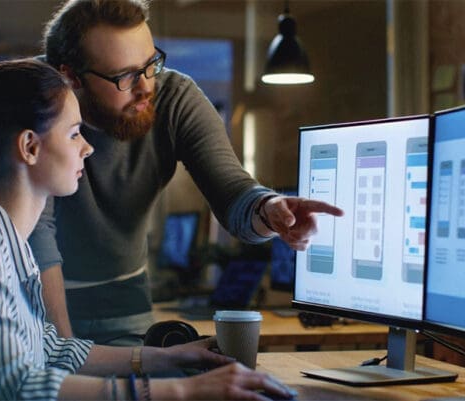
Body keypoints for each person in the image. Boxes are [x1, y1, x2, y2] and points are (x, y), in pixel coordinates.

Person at [0, 58, 295, 401]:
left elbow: (52, 350)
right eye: (75, 133)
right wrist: (185, 391)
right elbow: (14, 384)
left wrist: (170, 358)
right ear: (30, 147)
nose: (88, 147)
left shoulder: (4, 241)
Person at [31, 0, 344, 343]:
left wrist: (268, 210)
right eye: (125, 76)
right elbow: (38, 232)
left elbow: (231, 190)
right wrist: (61, 348)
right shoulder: (29, 100)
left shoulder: (175, 98)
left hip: (125, 300)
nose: (146, 86)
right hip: (37, 299)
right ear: (70, 76)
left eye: (151, 64)